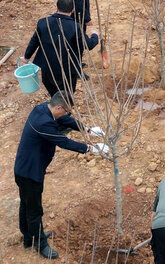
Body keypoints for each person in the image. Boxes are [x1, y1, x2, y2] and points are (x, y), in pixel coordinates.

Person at [14, 92, 106, 259]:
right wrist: (92, 149)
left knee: (26, 204)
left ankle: (28, 237)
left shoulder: (44, 108)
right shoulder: (43, 123)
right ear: (58, 107)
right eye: (66, 110)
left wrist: (87, 129)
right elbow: (64, 142)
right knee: (34, 210)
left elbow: (65, 120)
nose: (67, 113)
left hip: (24, 167)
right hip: (29, 173)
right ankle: (39, 243)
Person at [23, 0, 99, 97]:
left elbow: (34, 41)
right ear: (72, 10)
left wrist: (26, 57)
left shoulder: (43, 23)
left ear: (57, 8)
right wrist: (95, 35)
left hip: (48, 67)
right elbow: (88, 45)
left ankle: (55, 102)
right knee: (67, 94)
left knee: (53, 92)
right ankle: (64, 105)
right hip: (67, 70)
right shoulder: (74, 27)